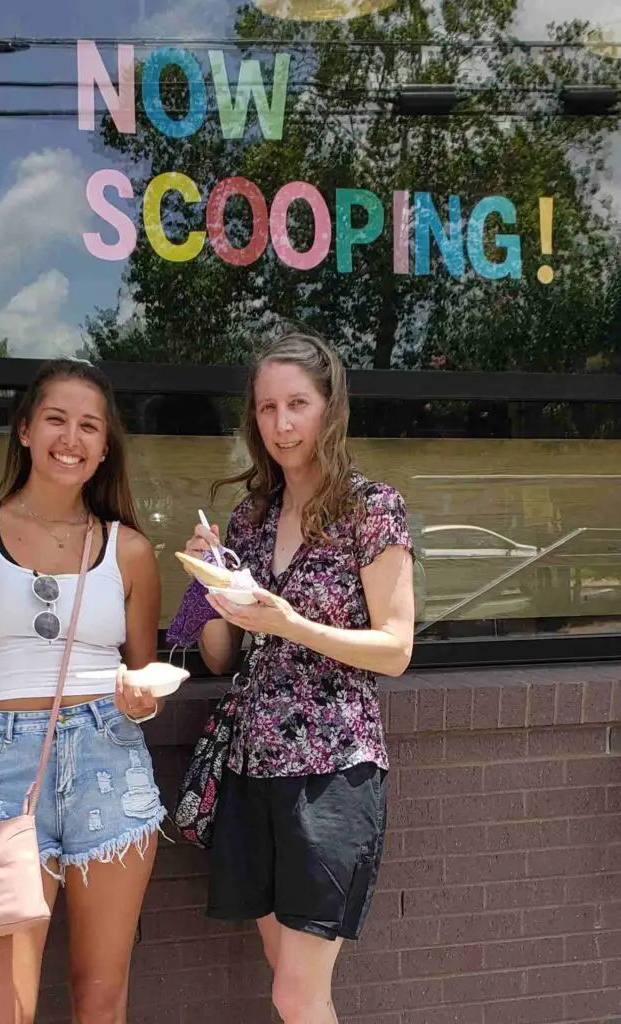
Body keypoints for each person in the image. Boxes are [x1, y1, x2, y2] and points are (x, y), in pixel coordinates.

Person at [181, 332, 415, 1024]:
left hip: (332, 768)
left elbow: (395, 648)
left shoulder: (370, 508)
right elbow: (220, 655)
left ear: (329, 408)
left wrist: (290, 623)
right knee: (286, 980)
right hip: (251, 765)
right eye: (265, 408)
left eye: (297, 405)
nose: (281, 424)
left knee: (295, 992)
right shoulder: (247, 517)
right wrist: (201, 583)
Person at [0, 359, 164, 1024]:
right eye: (56, 419)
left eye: (90, 426)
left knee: (101, 998)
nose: (72, 437)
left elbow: (141, 677)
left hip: (110, 764)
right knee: (4, 1007)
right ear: (25, 430)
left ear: (104, 447)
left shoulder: (130, 550)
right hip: (3, 766)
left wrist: (142, 697)